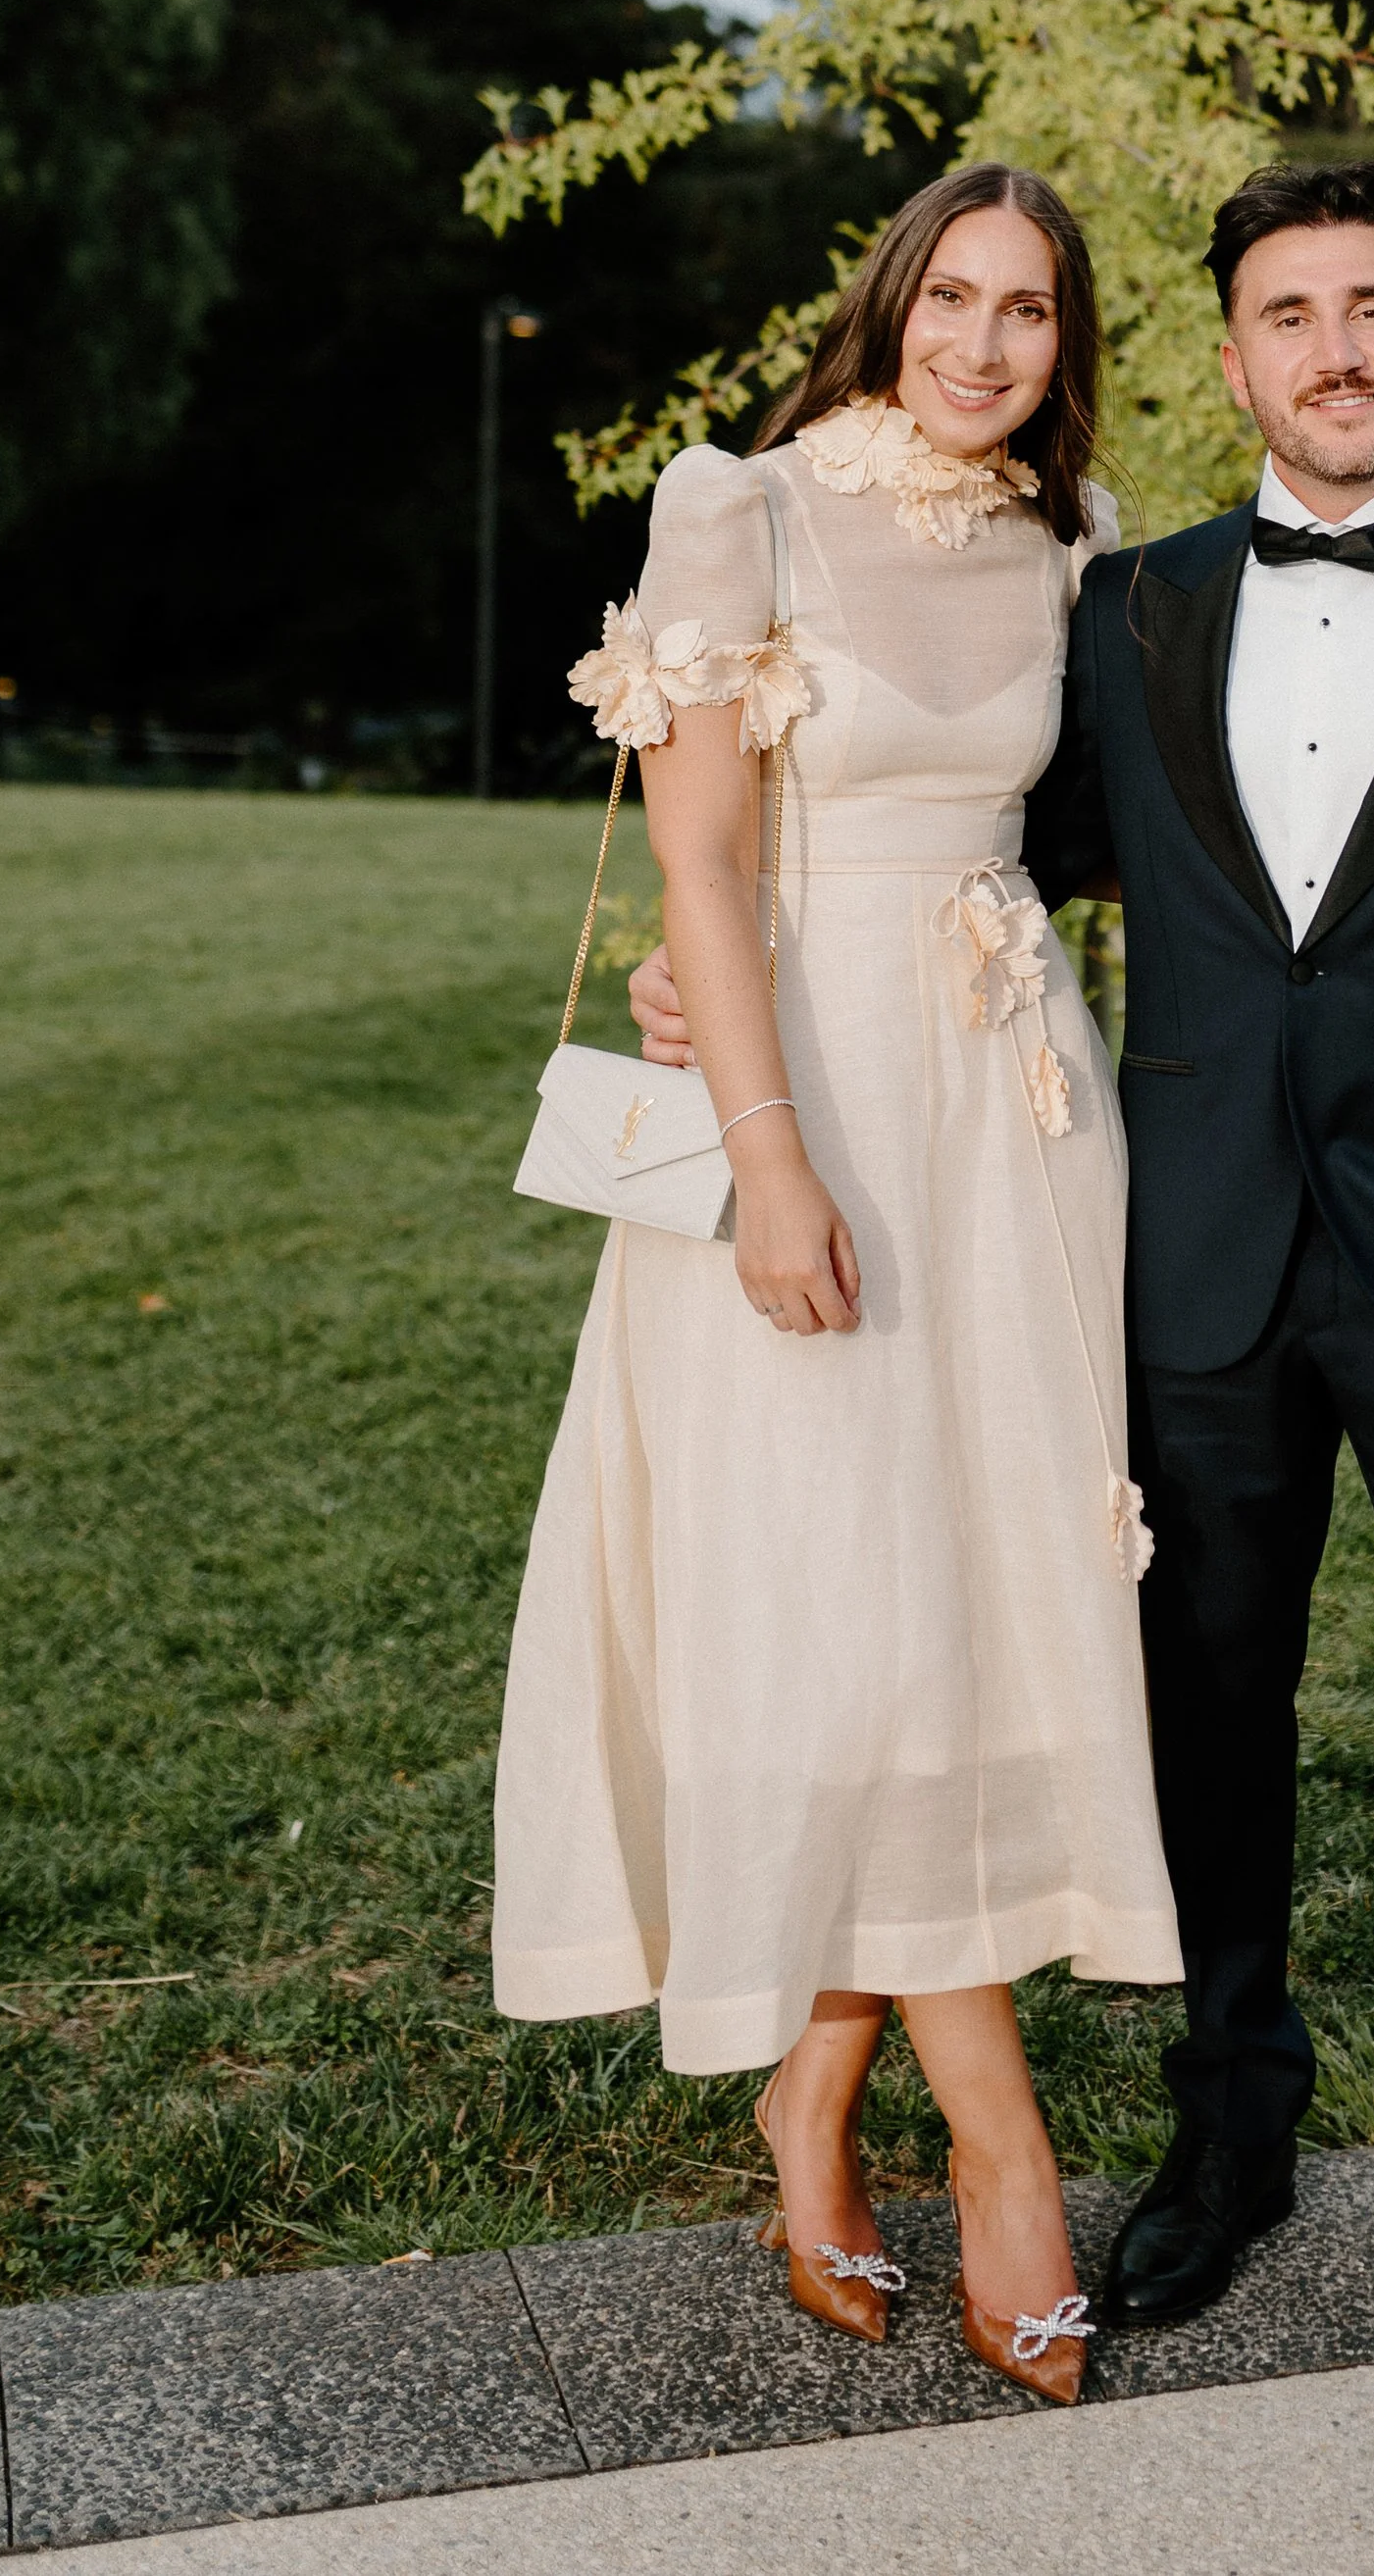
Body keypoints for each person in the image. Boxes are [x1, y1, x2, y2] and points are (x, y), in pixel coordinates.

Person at [636, 153, 1374, 2400]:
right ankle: (1227, 2138)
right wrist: (717, 982)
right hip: (1176, 1254)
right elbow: (966, 852)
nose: (1331, 350)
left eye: (1373, 307)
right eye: (1285, 314)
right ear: (1232, 355)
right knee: (1199, 1735)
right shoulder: (1122, 607)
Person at [496, 160, 1179, 2411]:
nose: (984, 346)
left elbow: (1075, 838)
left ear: (1067, 348)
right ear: (890, 304)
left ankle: (812, 2096)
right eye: (952, 299)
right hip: (817, 1118)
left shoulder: (1067, 549)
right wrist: (765, 1152)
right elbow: (697, 851)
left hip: (1012, 1122)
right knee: (845, 1606)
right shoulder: (746, 510)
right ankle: (1002, 2151)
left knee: (970, 1602)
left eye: (1031, 314)